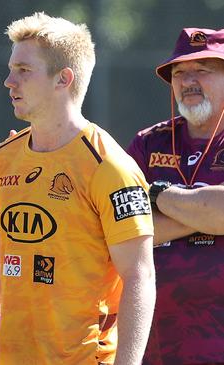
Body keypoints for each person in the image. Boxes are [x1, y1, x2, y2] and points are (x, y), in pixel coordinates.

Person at [0, 12, 156, 365]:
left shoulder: (110, 166)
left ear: (63, 79)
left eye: (23, 70)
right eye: (10, 69)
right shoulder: (6, 159)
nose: (8, 81)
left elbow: (140, 275)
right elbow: (4, 258)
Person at [126, 27, 224, 365]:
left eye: (203, 69)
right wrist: (203, 214)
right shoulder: (148, 143)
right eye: (179, 72)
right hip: (156, 347)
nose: (187, 80)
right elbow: (121, 227)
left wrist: (158, 194)